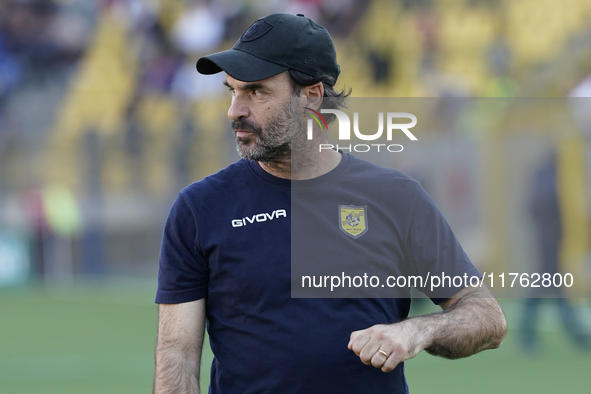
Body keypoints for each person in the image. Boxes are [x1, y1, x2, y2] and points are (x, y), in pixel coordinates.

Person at [153, 13, 507, 394]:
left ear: (311, 96)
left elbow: (486, 316)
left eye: (256, 92)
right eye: (232, 91)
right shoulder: (200, 208)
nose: (235, 110)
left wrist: (415, 331)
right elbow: (178, 354)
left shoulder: (396, 197)